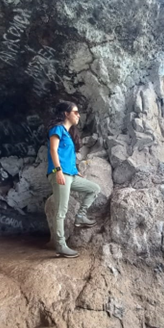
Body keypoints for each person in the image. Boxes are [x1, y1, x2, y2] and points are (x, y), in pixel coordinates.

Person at [47, 101, 100, 257]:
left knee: (94, 189)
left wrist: (74, 171)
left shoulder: (69, 134)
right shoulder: (57, 129)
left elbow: (67, 156)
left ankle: (81, 216)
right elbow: (53, 150)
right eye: (75, 112)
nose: (78, 115)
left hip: (70, 174)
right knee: (61, 211)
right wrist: (58, 171)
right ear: (66, 114)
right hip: (60, 174)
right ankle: (61, 246)